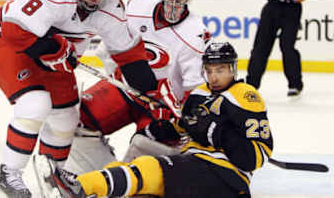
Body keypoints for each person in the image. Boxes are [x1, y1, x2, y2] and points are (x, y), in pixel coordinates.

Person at [0, 0, 166, 197]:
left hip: (54, 56)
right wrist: (54, 48)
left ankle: (53, 169)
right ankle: (10, 173)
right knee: (36, 104)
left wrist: (150, 93)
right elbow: (15, 32)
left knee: (68, 116)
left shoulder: (111, 5)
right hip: (9, 45)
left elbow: (129, 54)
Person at [39, 42, 274, 198]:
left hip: (226, 177)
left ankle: (79, 188)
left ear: (233, 68)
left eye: (220, 70)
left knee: (149, 167)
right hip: (194, 166)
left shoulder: (245, 97)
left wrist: (213, 130)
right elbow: (186, 126)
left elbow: (256, 156)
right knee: (132, 175)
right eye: (210, 70)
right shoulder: (200, 94)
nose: (214, 76)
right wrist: (164, 129)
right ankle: (84, 183)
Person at [65, 0, 210, 174]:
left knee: (148, 146)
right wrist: (119, 74)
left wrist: (182, 117)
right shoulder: (137, 5)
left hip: (162, 108)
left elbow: (194, 87)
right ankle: (97, 173)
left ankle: (126, 182)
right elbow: (108, 47)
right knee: (75, 119)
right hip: (124, 90)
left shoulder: (195, 32)